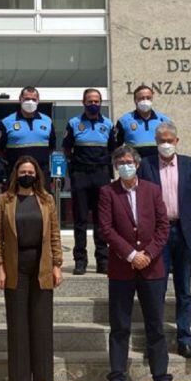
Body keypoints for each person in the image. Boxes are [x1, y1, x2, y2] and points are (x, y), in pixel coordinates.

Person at [97, 145, 176, 381]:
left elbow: (163, 227)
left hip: (152, 269)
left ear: (138, 164)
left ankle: (161, 380)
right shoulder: (108, 192)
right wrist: (131, 255)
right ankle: (117, 378)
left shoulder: (153, 191)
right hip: (122, 269)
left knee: (155, 326)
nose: (125, 165)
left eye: (129, 161)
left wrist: (148, 255)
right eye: (120, 162)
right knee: (120, 326)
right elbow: (106, 229)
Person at [137, 122, 191, 361]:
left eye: (169, 140)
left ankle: (184, 340)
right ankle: (155, 343)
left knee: (184, 290)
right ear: (155, 143)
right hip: (157, 235)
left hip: (184, 232)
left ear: (177, 141)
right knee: (155, 289)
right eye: (161, 141)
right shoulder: (145, 165)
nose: (165, 144)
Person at [0, 156, 63, 381]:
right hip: (15, 267)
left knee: (42, 324)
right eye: (22, 171)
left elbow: (54, 234)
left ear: (37, 175)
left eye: (30, 171)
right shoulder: (5, 200)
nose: (26, 175)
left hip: (41, 265)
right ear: (16, 174)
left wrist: (57, 264)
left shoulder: (47, 200)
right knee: (18, 325)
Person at [62, 88, 112, 275]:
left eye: (97, 101)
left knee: (102, 221)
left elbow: (113, 149)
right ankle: (80, 261)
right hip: (81, 175)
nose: (93, 104)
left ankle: (103, 261)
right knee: (80, 220)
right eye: (90, 101)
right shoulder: (74, 123)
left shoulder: (108, 124)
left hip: (101, 175)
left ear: (100, 103)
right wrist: (75, 169)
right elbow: (67, 149)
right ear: (83, 102)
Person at [0, 86, 55, 181]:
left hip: (41, 173)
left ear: (38, 101)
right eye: (27, 99)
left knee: (43, 196)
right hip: (16, 173)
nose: (30, 102)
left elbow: (51, 147)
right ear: (20, 99)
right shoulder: (7, 122)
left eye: (33, 99)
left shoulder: (47, 121)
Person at [109, 85, 173, 161]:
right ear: (135, 100)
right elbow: (116, 148)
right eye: (142, 98)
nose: (145, 101)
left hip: (159, 166)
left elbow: (171, 144)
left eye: (148, 98)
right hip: (135, 166)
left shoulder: (164, 120)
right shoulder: (124, 121)